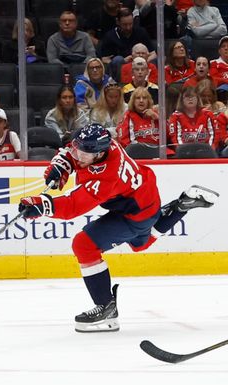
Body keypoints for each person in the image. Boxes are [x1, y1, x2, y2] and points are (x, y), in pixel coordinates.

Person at [18, 123, 218, 332]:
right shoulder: (103, 145)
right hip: (142, 198)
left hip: (136, 211)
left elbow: (73, 206)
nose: (77, 154)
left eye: (82, 152)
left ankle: (106, 309)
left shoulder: (107, 176)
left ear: (98, 154)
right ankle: (181, 206)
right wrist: (63, 164)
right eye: (78, 149)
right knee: (140, 243)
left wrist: (42, 206)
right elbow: (73, 150)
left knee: (84, 245)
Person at [99, 8, 156, 81]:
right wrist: (123, 60)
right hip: (121, 66)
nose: (128, 27)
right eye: (125, 25)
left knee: (156, 60)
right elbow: (104, 59)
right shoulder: (110, 36)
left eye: (130, 24)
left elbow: (153, 54)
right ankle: (118, 85)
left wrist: (141, 59)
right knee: (117, 60)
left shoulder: (141, 32)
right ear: (117, 22)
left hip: (141, 66)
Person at [168, 84, 218, 150]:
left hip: (206, 151)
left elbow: (214, 134)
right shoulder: (176, 116)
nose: (190, 99)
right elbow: (175, 137)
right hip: (185, 152)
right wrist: (183, 150)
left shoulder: (208, 114)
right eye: (187, 97)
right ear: (182, 100)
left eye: (193, 97)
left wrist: (209, 149)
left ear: (197, 99)